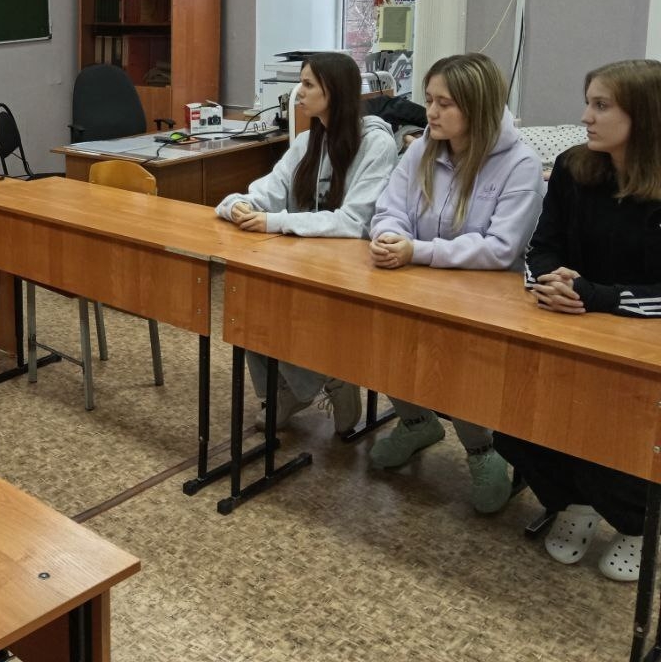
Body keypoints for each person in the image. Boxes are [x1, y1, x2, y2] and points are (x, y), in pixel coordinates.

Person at [495, 58, 661, 581]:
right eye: (588, 103)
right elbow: (540, 248)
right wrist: (551, 283)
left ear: (645, 115)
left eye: (601, 106)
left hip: (640, 340)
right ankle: (572, 503)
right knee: (512, 423)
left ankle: (635, 525)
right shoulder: (573, 167)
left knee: (605, 437)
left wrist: (598, 296)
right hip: (566, 321)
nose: (585, 117)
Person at [367, 53, 544, 513]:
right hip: (415, 282)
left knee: (460, 374)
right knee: (386, 347)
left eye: (444, 103)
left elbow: (500, 249)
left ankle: (483, 449)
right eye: (429, 99)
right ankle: (416, 422)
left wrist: (416, 251)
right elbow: (389, 208)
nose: (430, 112)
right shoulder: (423, 148)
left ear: (477, 106)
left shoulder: (520, 164)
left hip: (484, 298)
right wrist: (389, 236)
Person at [216, 51, 398, 433]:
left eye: (308, 84)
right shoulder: (306, 143)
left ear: (335, 91)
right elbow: (265, 193)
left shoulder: (376, 145)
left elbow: (353, 223)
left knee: (287, 311)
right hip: (303, 260)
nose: (299, 92)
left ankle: (325, 374)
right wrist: (237, 206)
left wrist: (273, 221)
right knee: (246, 305)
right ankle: (312, 382)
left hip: (352, 270)